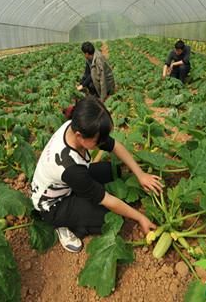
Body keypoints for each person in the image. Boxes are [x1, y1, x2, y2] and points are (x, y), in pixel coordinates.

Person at [31, 96, 162, 253]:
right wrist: (140, 217)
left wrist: (141, 175)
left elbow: (115, 145)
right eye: (98, 141)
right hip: (53, 205)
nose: (103, 143)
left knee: (111, 170)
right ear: (80, 136)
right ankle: (63, 226)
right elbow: (107, 200)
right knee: (109, 218)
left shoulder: (78, 126)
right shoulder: (71, 168)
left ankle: (79, 204)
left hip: (66, 183)